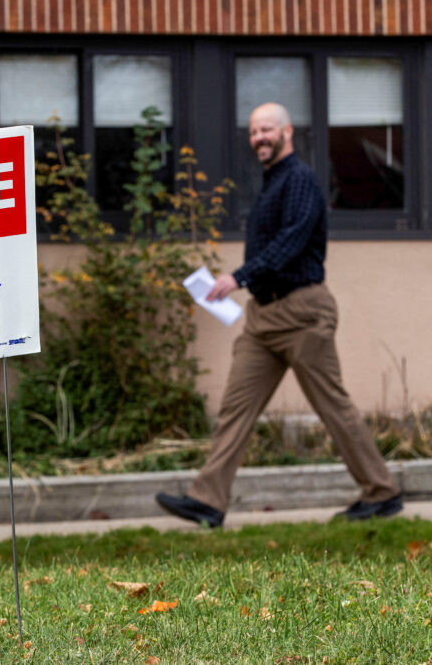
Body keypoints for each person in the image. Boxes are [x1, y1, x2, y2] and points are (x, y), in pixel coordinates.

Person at [155, 102, 402, 527]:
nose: (259, 138)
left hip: (303, 313)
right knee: (236, 409)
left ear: (287, 132)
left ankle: (382, 493)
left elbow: (292, 240)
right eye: (253, 132)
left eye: (267, 129)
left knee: (332, 407)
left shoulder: (300, 179)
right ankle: (208, 502)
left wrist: (238, 276)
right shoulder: (270, 184)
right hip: (263, 319)